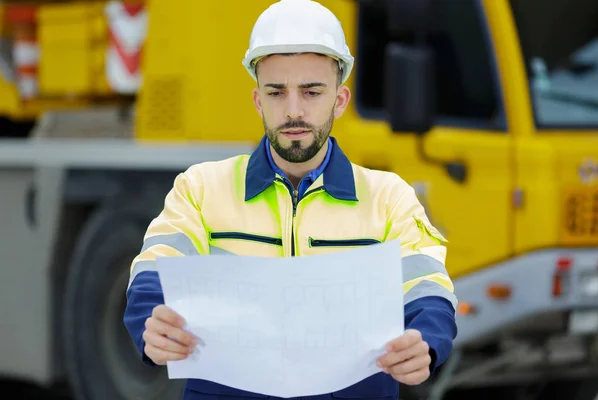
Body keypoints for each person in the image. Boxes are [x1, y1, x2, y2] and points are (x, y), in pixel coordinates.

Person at [123, 0, 458, 399]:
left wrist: (425, 341)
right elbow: (155, 272)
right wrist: (152, 324)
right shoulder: (200, 189)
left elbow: (427, 286)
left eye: (312, 91)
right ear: (257, 100)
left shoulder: (389, 199)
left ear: (340, 100)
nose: (294, 111)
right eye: (277, 92)